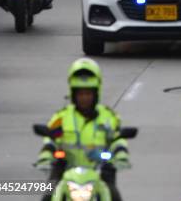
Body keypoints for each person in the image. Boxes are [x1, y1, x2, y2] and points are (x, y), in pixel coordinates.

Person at [35, 59, 129, 201]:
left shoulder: (108, 116)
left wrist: (121, 155)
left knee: (112, 193)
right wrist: (46, 155)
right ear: (73, 94)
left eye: (88, 94)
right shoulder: (62, 116)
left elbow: (118, 138)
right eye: (80, 94)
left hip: (99, 170)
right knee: (49, 193)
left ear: (96, 93)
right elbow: (51, 137)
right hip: (65, 169)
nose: (84, 98)